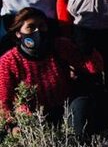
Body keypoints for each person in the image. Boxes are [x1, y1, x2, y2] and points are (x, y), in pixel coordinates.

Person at [0, 8, 102, 136]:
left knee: (81, 109)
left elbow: (94, 68)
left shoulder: (60, 46)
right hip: (32, 116)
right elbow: (4, 100)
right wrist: (11, 126)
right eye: (30, 27)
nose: (37, 31)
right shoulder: (9, 61)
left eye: (41, 26)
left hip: (64, 106)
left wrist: (88, 51)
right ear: (18, 33)